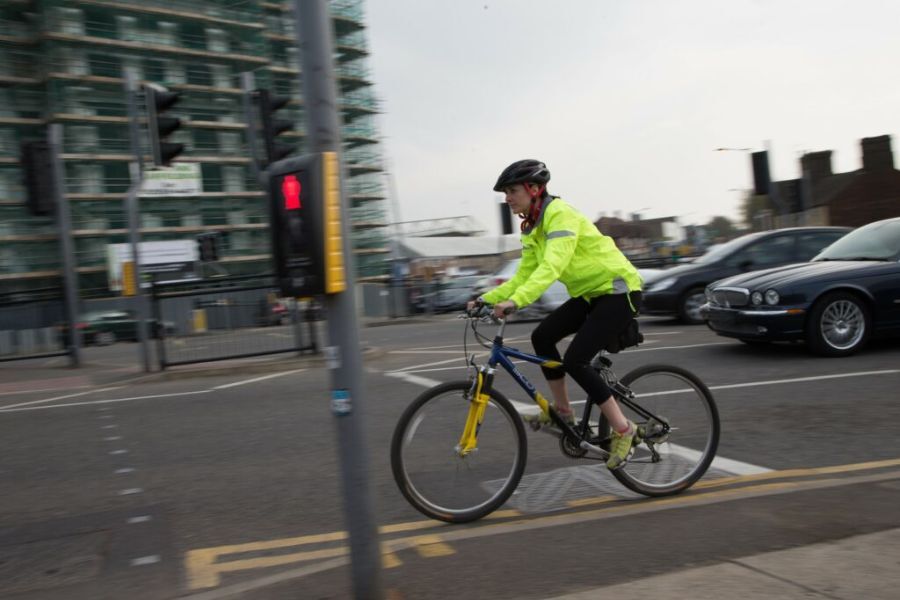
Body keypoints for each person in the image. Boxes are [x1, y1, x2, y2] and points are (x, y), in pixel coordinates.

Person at [469, 159, 644, 470]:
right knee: (543, 336)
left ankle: (624, 429)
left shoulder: (559, 214)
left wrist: (516, 302)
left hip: (618, 291)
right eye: (505, 193)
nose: (508, 198)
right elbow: (525, 274)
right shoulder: (531, 227)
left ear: (534, 189)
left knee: (576, 359)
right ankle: (563, 412)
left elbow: (553, 267)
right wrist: (485, 299)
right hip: (591, 294)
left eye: (512, 191)